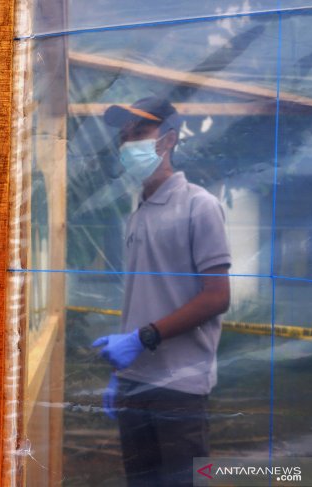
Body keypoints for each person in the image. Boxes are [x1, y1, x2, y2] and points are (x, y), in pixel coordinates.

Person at [92, 98, 231, 486]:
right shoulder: (138, 213)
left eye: (140, 133)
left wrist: (143, 338)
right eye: (124, 137)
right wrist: (125, 369)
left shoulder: (199, 206)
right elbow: (143, 295)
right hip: (136, 382)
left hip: (180, 387)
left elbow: (217, 297)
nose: (128, 144)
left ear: (168, 140)